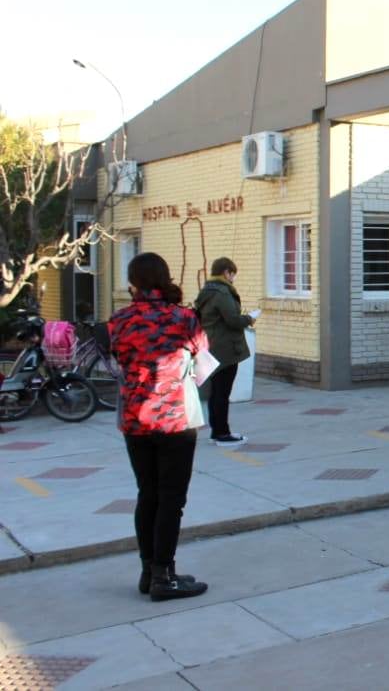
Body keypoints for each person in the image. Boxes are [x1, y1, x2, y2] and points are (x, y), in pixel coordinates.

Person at [108, 252, 209, 602]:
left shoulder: (118, 320)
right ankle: (164, 576)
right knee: (171, 499)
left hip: (135, 420)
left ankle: (148, 570)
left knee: (147, 494)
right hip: (174, 420)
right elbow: (202, 356)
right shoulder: (184, 318)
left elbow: (117, 360)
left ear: (133, 282)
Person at [194, 257, 257, 447]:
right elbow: (233, 320)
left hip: (210, 345)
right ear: (227, 272)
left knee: (216, 392)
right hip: (225, 348)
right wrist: (249, 318)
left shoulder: (206, 291)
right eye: (233, 274)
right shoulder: (222, 292)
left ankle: (217, 430)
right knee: (223, 392)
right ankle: (222, 432)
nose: (233, 278)